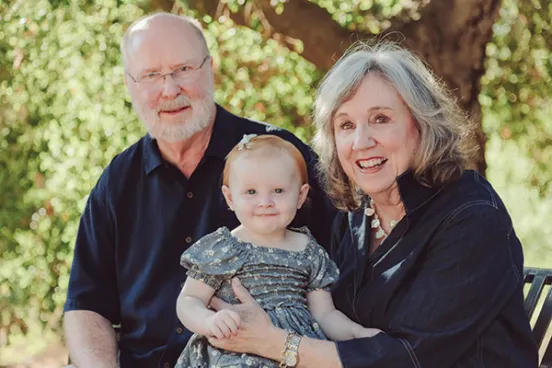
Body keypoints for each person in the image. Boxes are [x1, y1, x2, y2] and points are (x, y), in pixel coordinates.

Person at [201, 42, 539, 367]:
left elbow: (410, 357)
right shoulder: (356, 216)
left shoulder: (471, 216)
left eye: (380, 119)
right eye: (346, 125)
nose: (361, 142)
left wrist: (273, 343)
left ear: (420, 125)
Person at [62, 13, 335, 368]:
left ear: (210, 69)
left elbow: (346, 271)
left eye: (183, 69)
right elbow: (86, 306)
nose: (170, 89)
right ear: (130, 85)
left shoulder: (280, 156)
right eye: (151, 75)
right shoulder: (117, 181)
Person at [174, 135, 380, 367]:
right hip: (235, 353)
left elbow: (325, 315)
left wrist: (356, 334)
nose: (265, 202)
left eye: (278, 190)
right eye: (251, 192)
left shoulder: (309, 250)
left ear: (300, 196)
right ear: (230, 198)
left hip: (296, 352)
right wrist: (209, 321)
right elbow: (189, 300)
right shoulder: (223, 247)